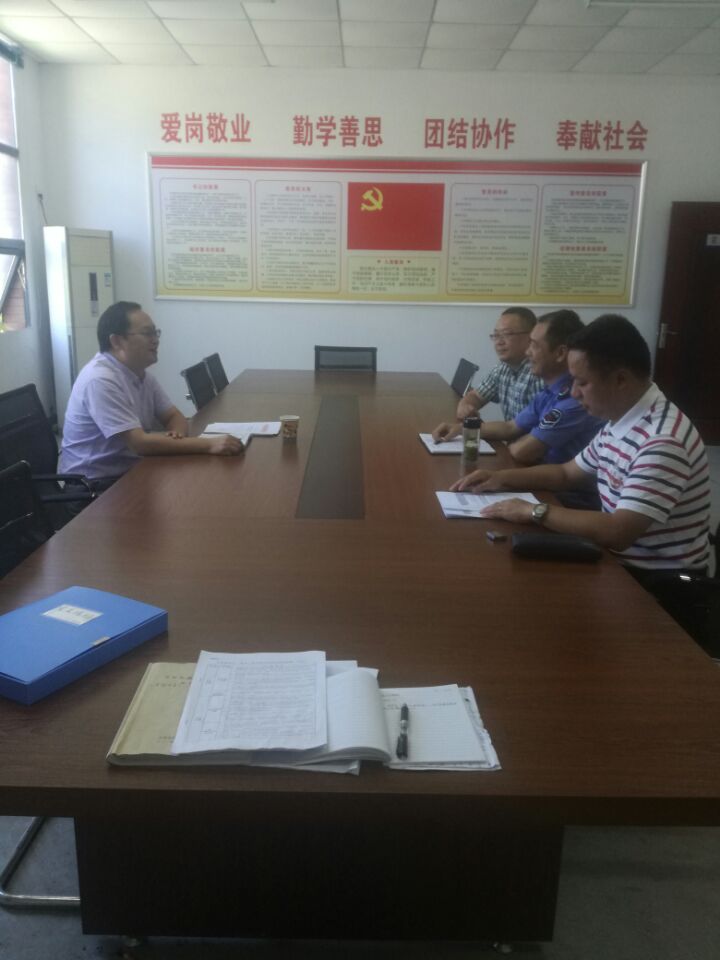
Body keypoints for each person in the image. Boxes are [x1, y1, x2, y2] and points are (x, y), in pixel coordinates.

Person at [452, 314, 711, 576]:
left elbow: (618, 532)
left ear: (621, 380)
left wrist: (533, 511)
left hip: (655, 581)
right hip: (615, 560)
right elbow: (566, 473)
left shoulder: (661, 441)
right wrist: (500, 479)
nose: (574, 392)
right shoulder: (623, 418)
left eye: (583, 382)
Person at [59, 301, 243, 501]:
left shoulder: (141, 375)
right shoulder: (100, 380)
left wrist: (177, 436)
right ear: (117, 341)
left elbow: (174, 416)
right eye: (147, 334)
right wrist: (208, 445)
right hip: (93, 489)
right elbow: (139, 443)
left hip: (129, 473)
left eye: (156, 333)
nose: (155, 340)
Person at [449, 310, 603, 470]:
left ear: (560, 353)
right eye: (496, 335)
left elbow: (522, 452)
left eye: (534, 345)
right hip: (540, 472)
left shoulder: (573, 398)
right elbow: (510, 427)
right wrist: (462, 429)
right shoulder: (548, 391)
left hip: (557, 483)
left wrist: (513, 445)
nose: (528, 352)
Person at [432, 306, 542, 442]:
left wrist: (465, 428)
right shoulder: (503, 368)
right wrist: (465, 405)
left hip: (531, 450)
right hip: (513, 446)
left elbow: (518, 430)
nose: (499, 342)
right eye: (496, 335)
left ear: (530, 337)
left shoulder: (539, 374)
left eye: (507, 334)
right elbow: (476, 396)